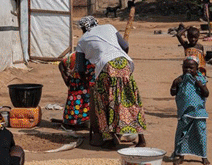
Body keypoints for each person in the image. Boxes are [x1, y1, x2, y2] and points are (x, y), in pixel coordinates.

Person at [75, 16, 147, 148]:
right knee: (130, 100)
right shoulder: (109, 27)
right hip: (125, 63)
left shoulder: (82, 41)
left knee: (103, 103)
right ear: (96, 23)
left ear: (83, 28)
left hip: (106, 68)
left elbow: (79, 68)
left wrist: (86, 83)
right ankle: (141, 139)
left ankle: (109, 139)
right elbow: (125, 46)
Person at [169, 57, 210, 165]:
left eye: (191, 68)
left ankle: (203, 156)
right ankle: (180, 155)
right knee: (181, 134)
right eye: (185, 67)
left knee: (201, 134)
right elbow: (173, 93)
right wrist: (174, 84)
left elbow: (206, 93)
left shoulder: (201, 79)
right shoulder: (180, 79)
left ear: (197, 69)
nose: (188, 70)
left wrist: (199, 84)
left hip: (198, 112)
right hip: (184, 112)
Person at [58, 50, 94, 131]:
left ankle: (77, 121)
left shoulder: (84, 54)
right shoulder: (85, 56)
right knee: (79, 100)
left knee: (79, 100)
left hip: (78, 79)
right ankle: (74, 122)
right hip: (79, 79)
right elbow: (81, 71)